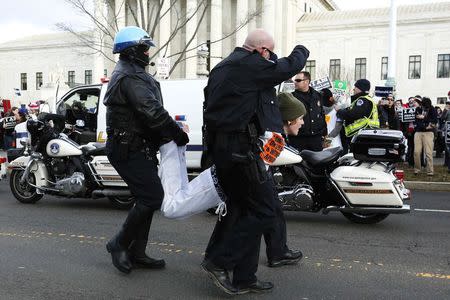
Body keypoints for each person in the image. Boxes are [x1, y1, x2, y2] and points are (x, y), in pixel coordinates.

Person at [202, 28, 309, 295]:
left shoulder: (223, 67)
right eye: (269, 53)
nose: (270, 59)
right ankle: (218, 261)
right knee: (263, 210)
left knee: (244, 210)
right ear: (262, 50)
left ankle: (244, 277)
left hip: (227, 149)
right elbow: (287, 67)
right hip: (238, 152)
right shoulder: (249, 65)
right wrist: (301, 50)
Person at [104, 26, 189, 274]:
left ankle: (137, 251)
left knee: (147, 198)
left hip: (137, 146)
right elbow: (150, 111)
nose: (147, 52)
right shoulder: (130, 76)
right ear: (131, 51)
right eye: (143, 48)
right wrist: (177, 133)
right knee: (152, 197)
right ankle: (118, 243)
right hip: (128, 147)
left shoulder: (132, 73)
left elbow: (148, 113)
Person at [336, 79, 379, 152]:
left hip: (361, 135)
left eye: (355, 87)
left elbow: (353, 114)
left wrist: (339, 111)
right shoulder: (365, 100)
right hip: (363, 135)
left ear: (360, 88)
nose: (353, 89)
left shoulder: (362, 100)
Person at [288, 71, 327, 152]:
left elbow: (321, 114)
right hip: (298, 139)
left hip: (316, 139)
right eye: (295, 80)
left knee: (317, 162)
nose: (295, 82)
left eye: (298, 80)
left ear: (307, 81)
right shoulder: (291, 97)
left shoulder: (318, 95)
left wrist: (324, 133)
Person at [413, 97, 437, 176]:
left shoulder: (432, 109)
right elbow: (416, 120)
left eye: (425, 106)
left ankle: (430, 171)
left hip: (429, 133)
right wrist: (425, 125)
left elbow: (434, 121)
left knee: (428, 153)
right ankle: (417, 169)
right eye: (422, 105)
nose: (423, 107)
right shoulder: (418, 109)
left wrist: (424, 118)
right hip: (418, 132)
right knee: (416, 152)